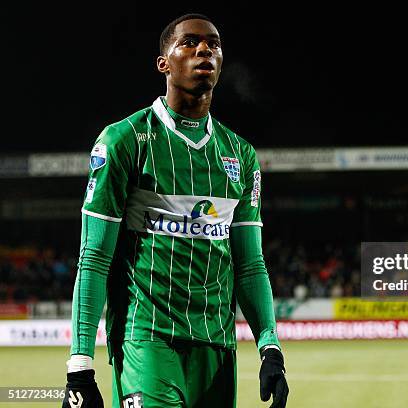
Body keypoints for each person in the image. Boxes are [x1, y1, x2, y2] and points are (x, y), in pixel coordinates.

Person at [62, 13, 288, 408]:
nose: (204, 49)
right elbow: (94, 257)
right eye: (189, 42)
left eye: (214, 44)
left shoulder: (241, 155)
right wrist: (80, 364)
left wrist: (270, 346)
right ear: (163, 63)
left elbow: (250, 263)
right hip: (146, 337)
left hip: (216, 344)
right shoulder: (124, 140)